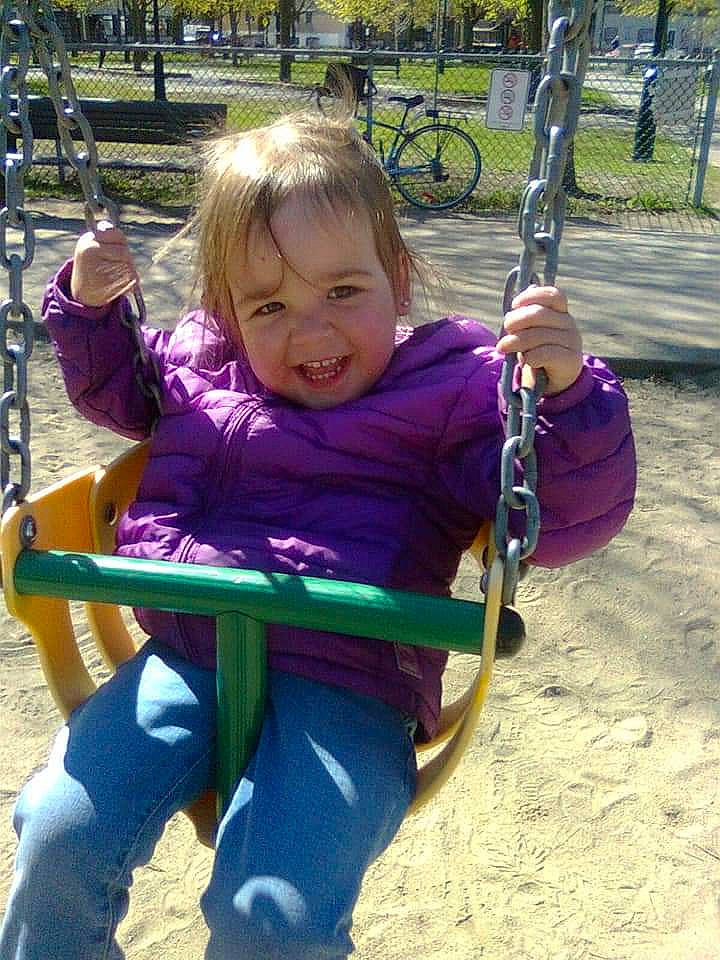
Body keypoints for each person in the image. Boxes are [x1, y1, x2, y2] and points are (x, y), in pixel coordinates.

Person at [0, 113, 636, 960]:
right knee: (55, 831)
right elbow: (118, 387)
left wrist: (567, 400)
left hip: (354, 683)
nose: (312, 334)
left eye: (342, 292)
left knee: (275, 917)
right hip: (188, 657)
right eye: (269, 306)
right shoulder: (201, 363)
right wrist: (88, 311)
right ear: (227, 309)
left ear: (397, 278)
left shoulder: (453, 394)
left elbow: (554, 518)